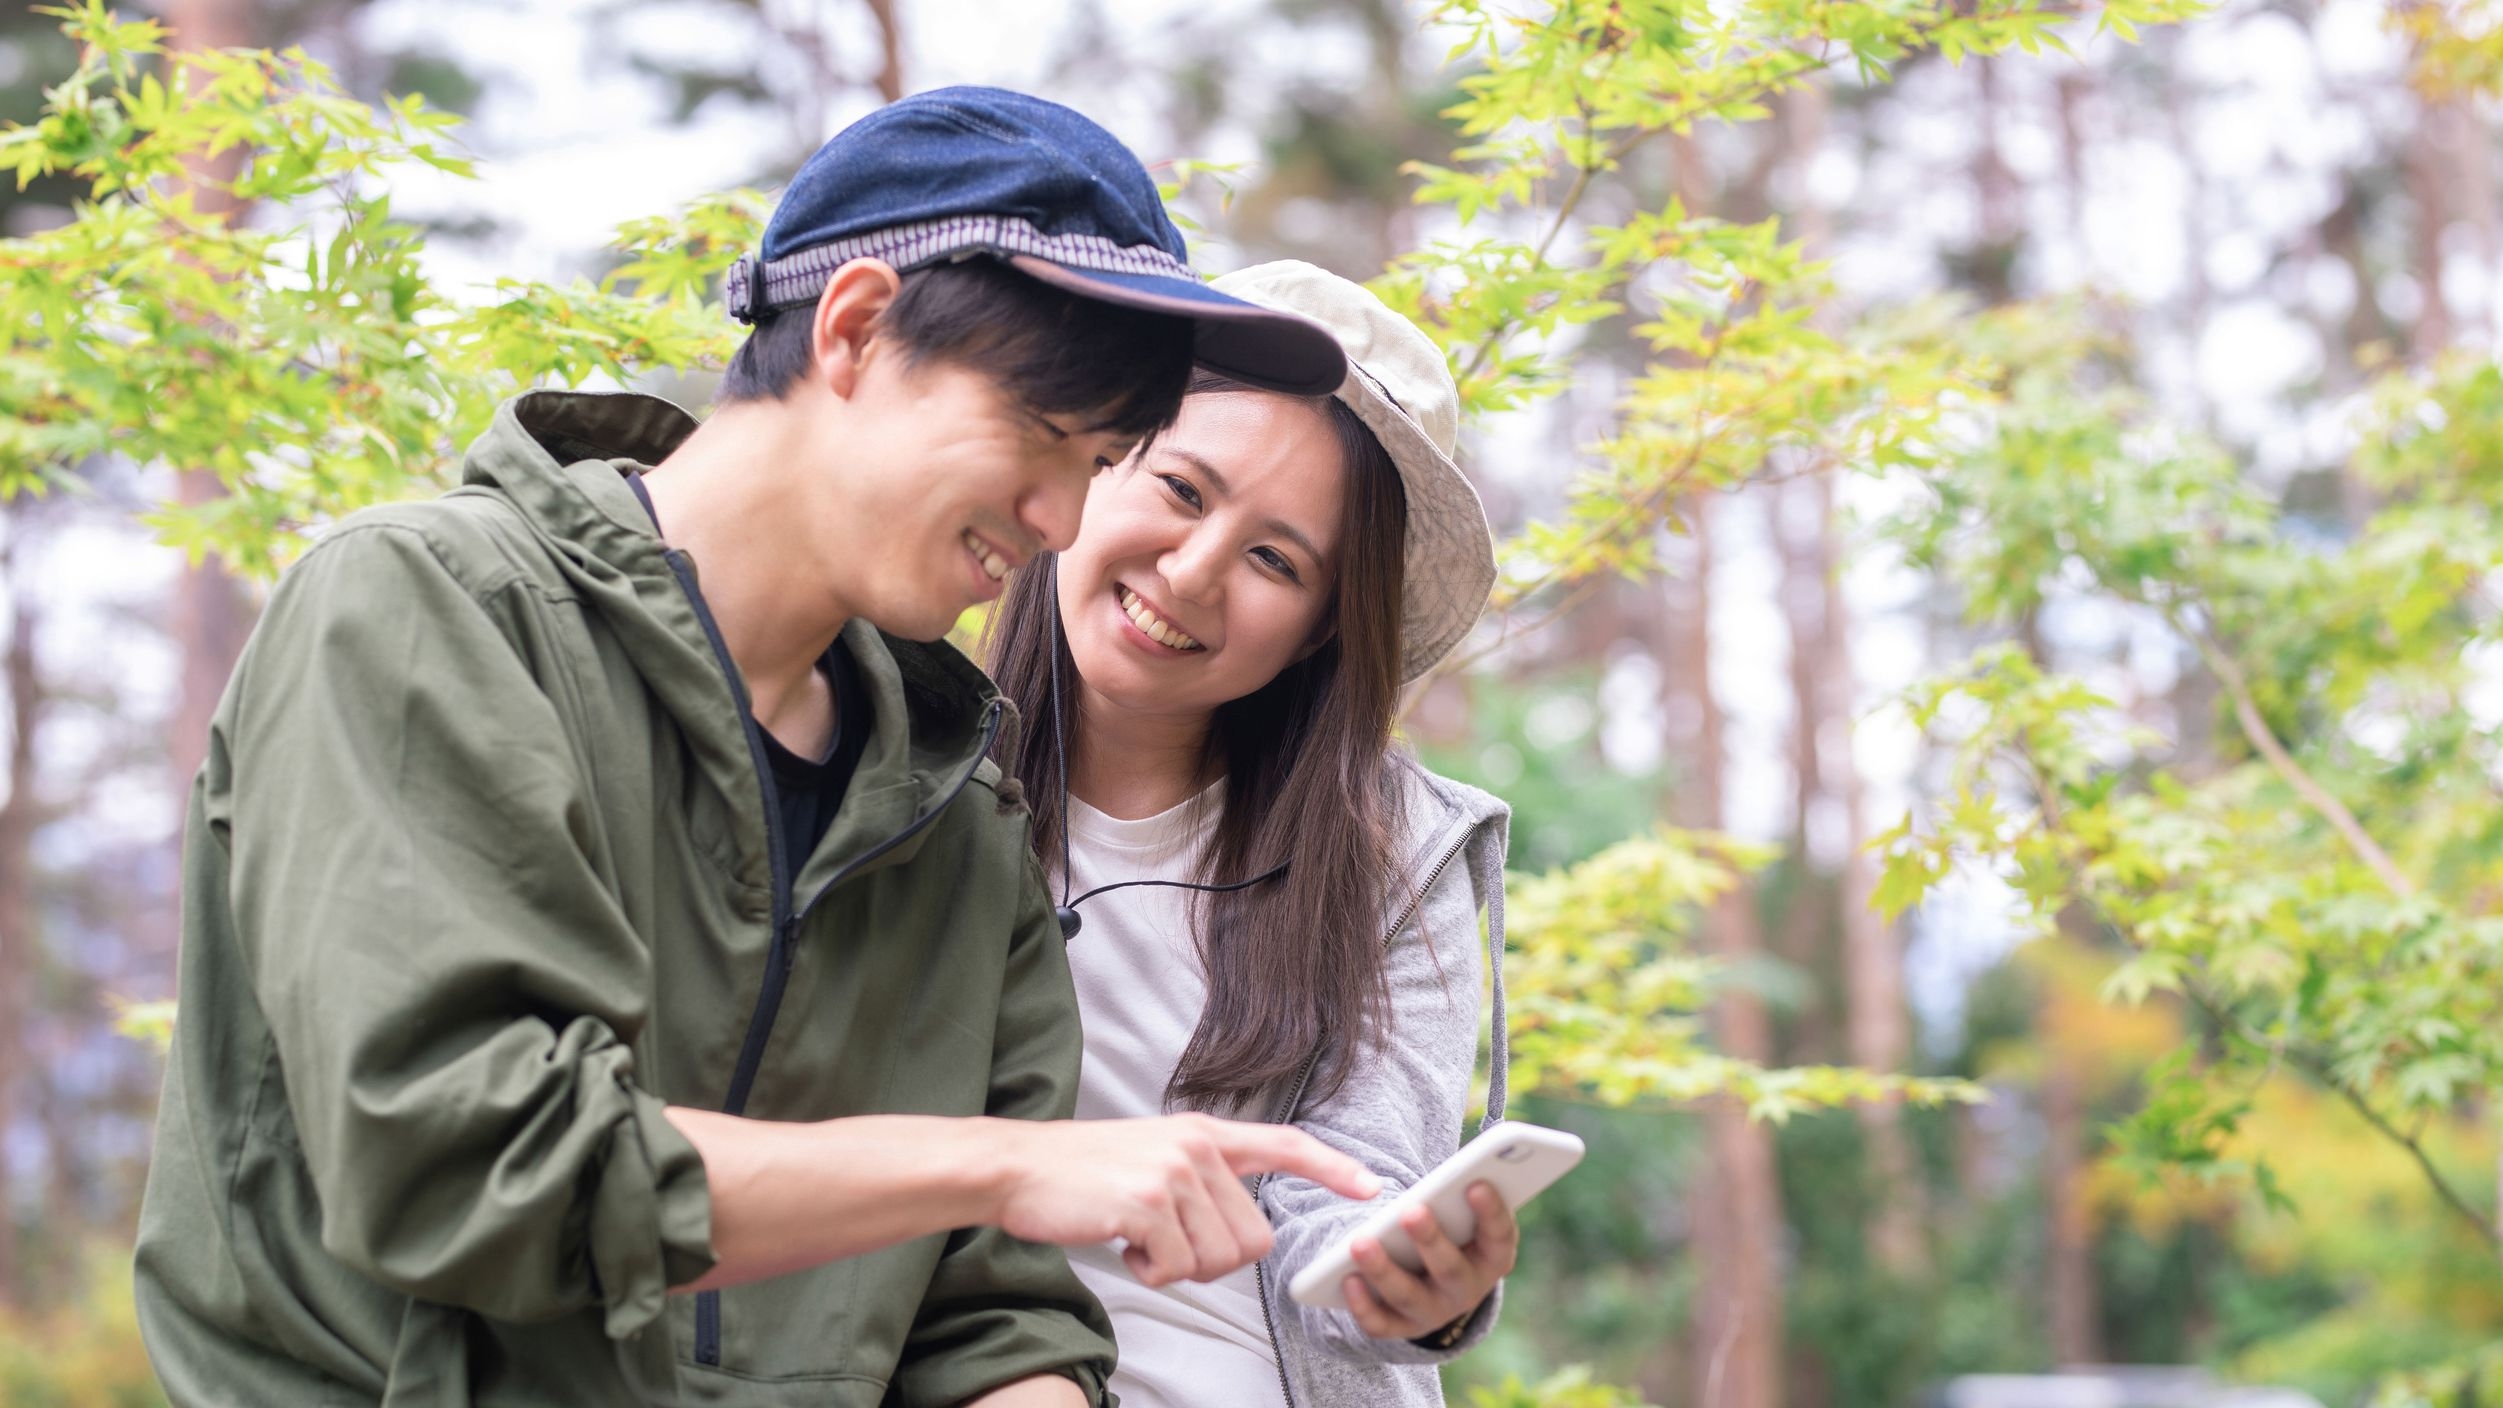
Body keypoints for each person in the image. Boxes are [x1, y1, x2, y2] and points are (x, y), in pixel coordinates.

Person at [133, 90, 1383, 1408]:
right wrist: (1002, 1165)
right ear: (853, 329)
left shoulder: (958, 813)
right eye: (1040, 434)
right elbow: (474, 1168)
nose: (1061, 519)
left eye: (1103, 461)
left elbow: (987, 1322)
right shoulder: (429, 614)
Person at [985, 260, 1517, 1407]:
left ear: (1321, 629)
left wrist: (1403, 1275)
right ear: (1100, 456)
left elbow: (1358, 1177)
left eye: (1275, 559)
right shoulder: (898, 768)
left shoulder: (1388, 854)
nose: (1191, 574)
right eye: (1182, 489)